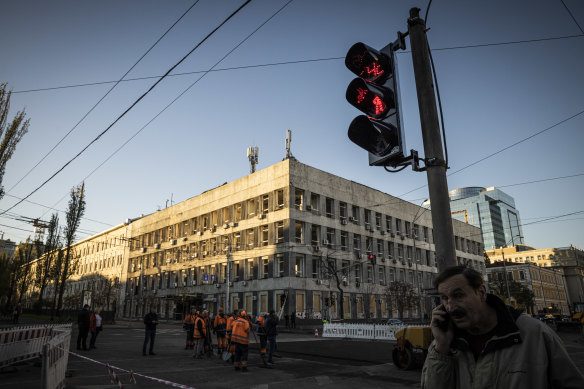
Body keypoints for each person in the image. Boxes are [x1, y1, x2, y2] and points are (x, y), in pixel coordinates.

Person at [422, 266, 584, 389]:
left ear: (481, 293)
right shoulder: (443, 343)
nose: (450, 307)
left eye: (458, 296)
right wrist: (441, 348)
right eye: (444, 299)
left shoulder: (534, 334)